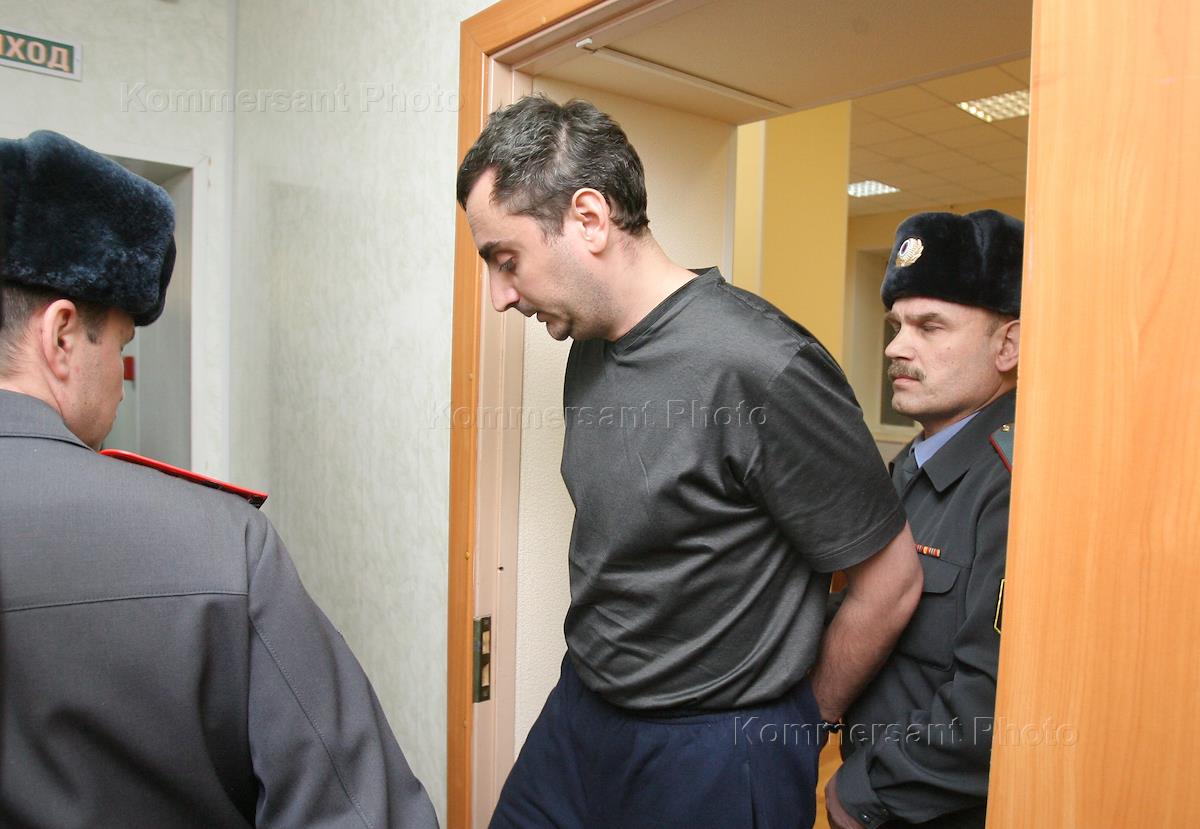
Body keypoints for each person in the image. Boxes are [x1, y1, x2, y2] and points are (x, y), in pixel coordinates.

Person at [456, 95, 923, 829]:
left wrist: (803, 723)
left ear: (589, 218)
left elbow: (890, 581)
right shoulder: (589, 345)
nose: (499, 296)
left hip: (715, 748)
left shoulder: (763, 365)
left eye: (505, 261)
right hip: (581, 711)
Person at [0, 130, 438, 828]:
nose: (118, 378)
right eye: (122, 344)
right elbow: (357, 810)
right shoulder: (222, 544)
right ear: (60, 337)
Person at [826, 210, 1023, 829]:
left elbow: (992, 708)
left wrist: (864, 794)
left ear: (1008, 346)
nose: (895, 347)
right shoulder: (915, 461)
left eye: (929, 326)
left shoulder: (1017, 485)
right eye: (897, 326)